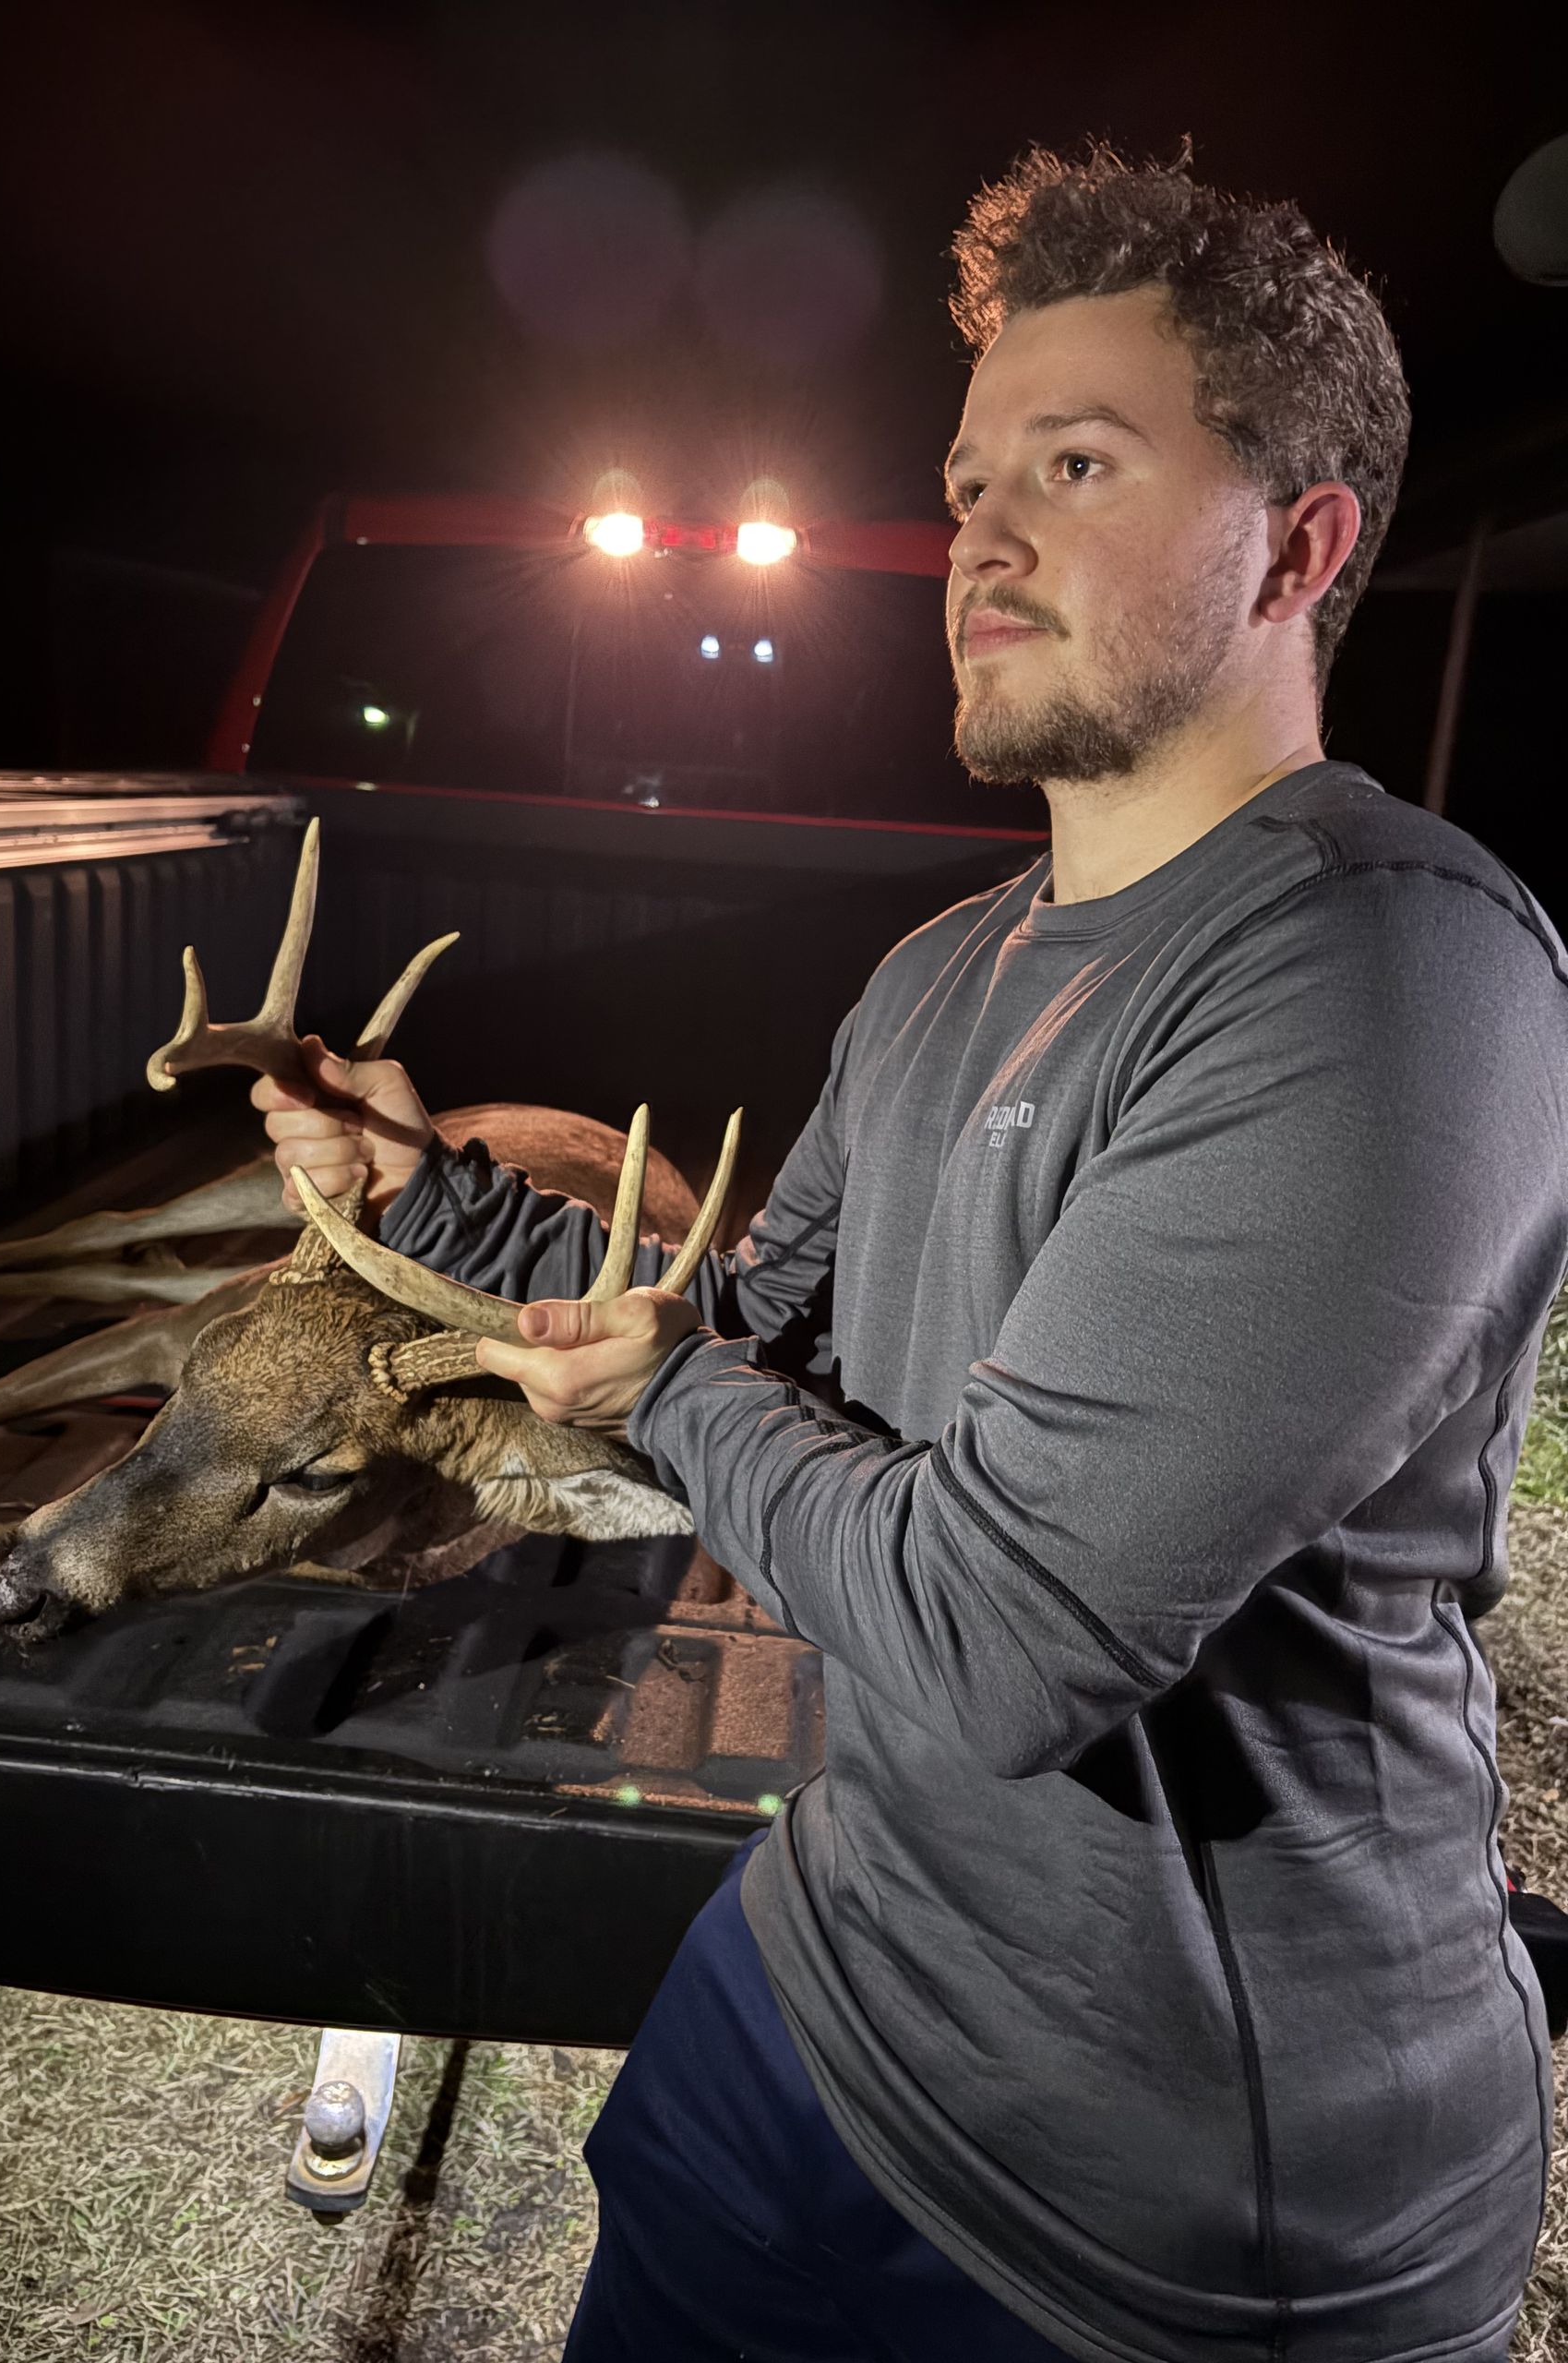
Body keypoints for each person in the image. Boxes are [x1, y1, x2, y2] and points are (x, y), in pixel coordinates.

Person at [254, 142, 1565, 2363]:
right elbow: (756, 1338)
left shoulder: (1383, 969)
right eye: (969, 480)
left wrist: (662, 1388)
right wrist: (433, 1190)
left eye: (1077, 460)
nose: (981, 532)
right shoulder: (943, 971)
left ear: (1302, 544)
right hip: (830, 1980)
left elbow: (996, 1638)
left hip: (1167, 2209)